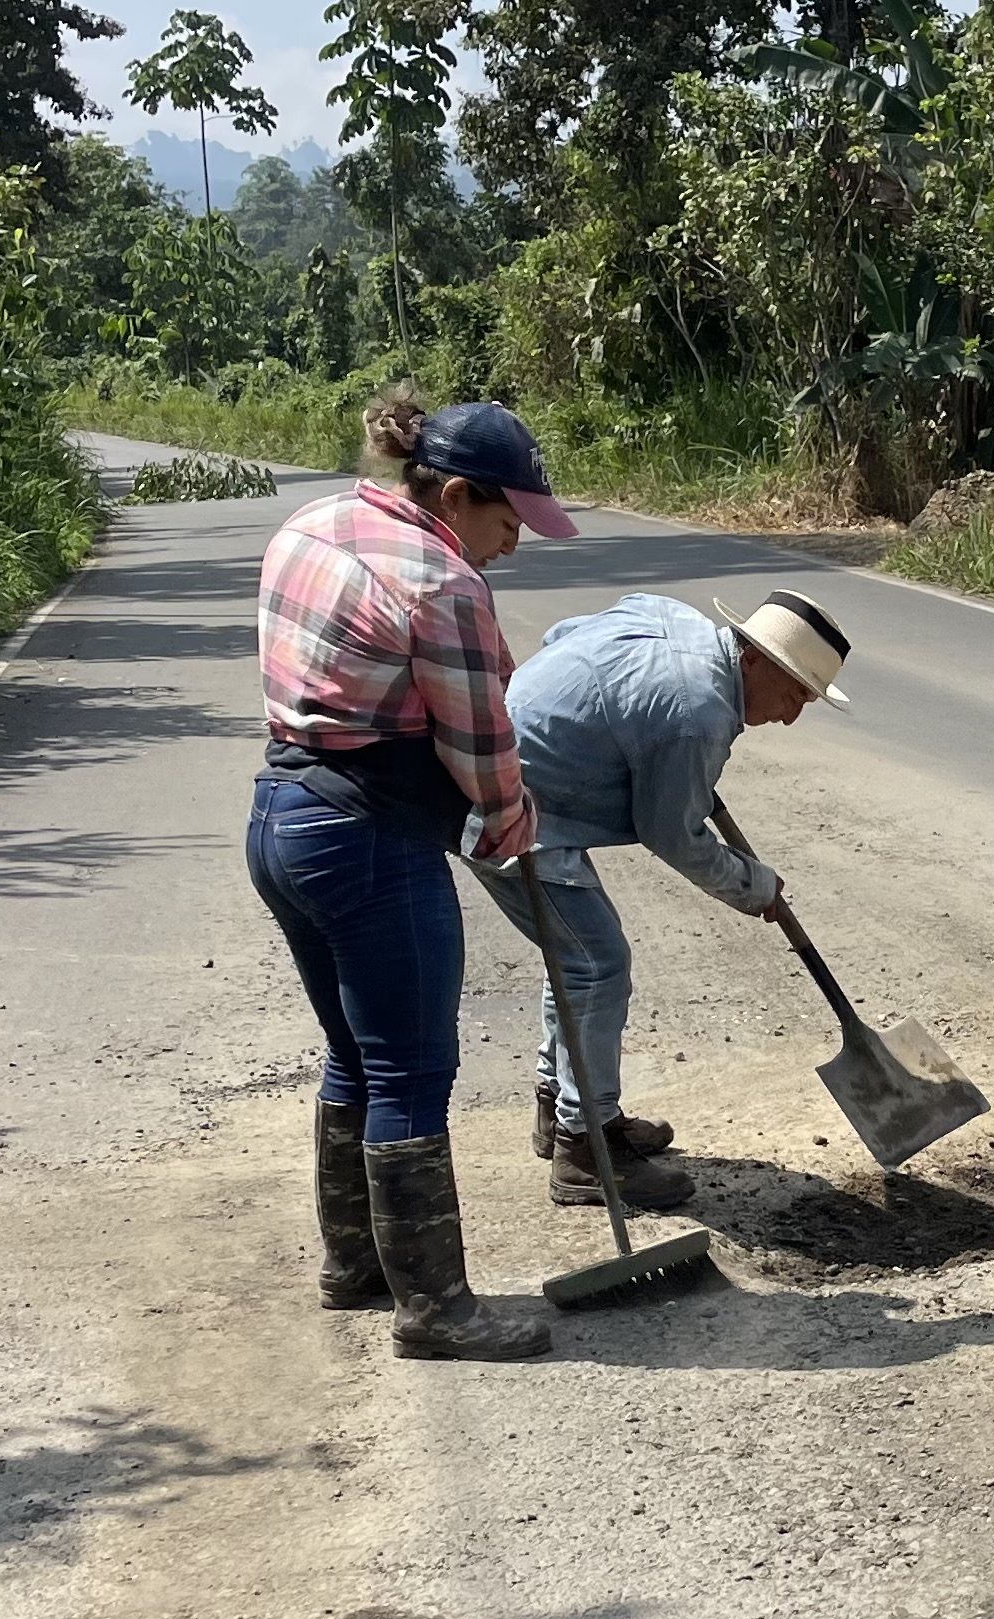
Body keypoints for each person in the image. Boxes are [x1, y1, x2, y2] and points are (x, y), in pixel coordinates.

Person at [245, 389, 580, 1360]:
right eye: (509, 521)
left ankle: (354, 1266)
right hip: (370, 839)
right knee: (413, 1070)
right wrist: (514, 824)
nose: (514, 543)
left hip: (280, 821)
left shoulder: (312, 523)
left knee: (354, 1054)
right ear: (460, 495)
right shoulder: (443, 582)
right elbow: (482, 751)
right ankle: (435, 1311)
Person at [476, 588, 853, 1210]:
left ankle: (562, 1105)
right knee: (596, 965)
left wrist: (613, 732)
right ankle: (585, 1149)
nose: (791, 718)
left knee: (577, 960)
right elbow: (671, 833)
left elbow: (562, 636)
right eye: (795, 695)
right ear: (755, 659)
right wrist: (754, 885)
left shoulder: (669, 616)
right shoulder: (696, 713)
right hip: (507, 810)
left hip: (506, 775)